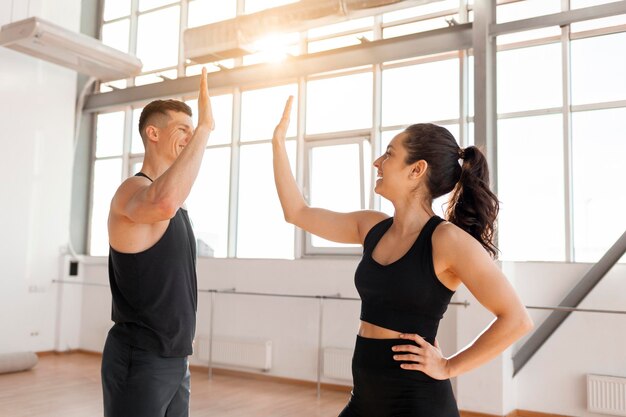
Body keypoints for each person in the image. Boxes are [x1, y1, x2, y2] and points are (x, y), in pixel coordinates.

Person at [271, 96, 534, 417]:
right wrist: (278, 144)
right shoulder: (371, 226)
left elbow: (517, 319)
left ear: (417, 170)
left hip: (417, 403)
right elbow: (297, 212)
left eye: (389, 154)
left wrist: (449, 366)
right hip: (364, 399)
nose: (377, 162)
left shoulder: (448, 240)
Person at [101, 68, 214, 417]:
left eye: (193, 130)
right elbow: (162, 201)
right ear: (153, 133)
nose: (190, 137)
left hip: (175, 358)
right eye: (183, 129)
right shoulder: (132, 192)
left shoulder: (177, 205)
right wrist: (206, 130)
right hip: (140, 357)